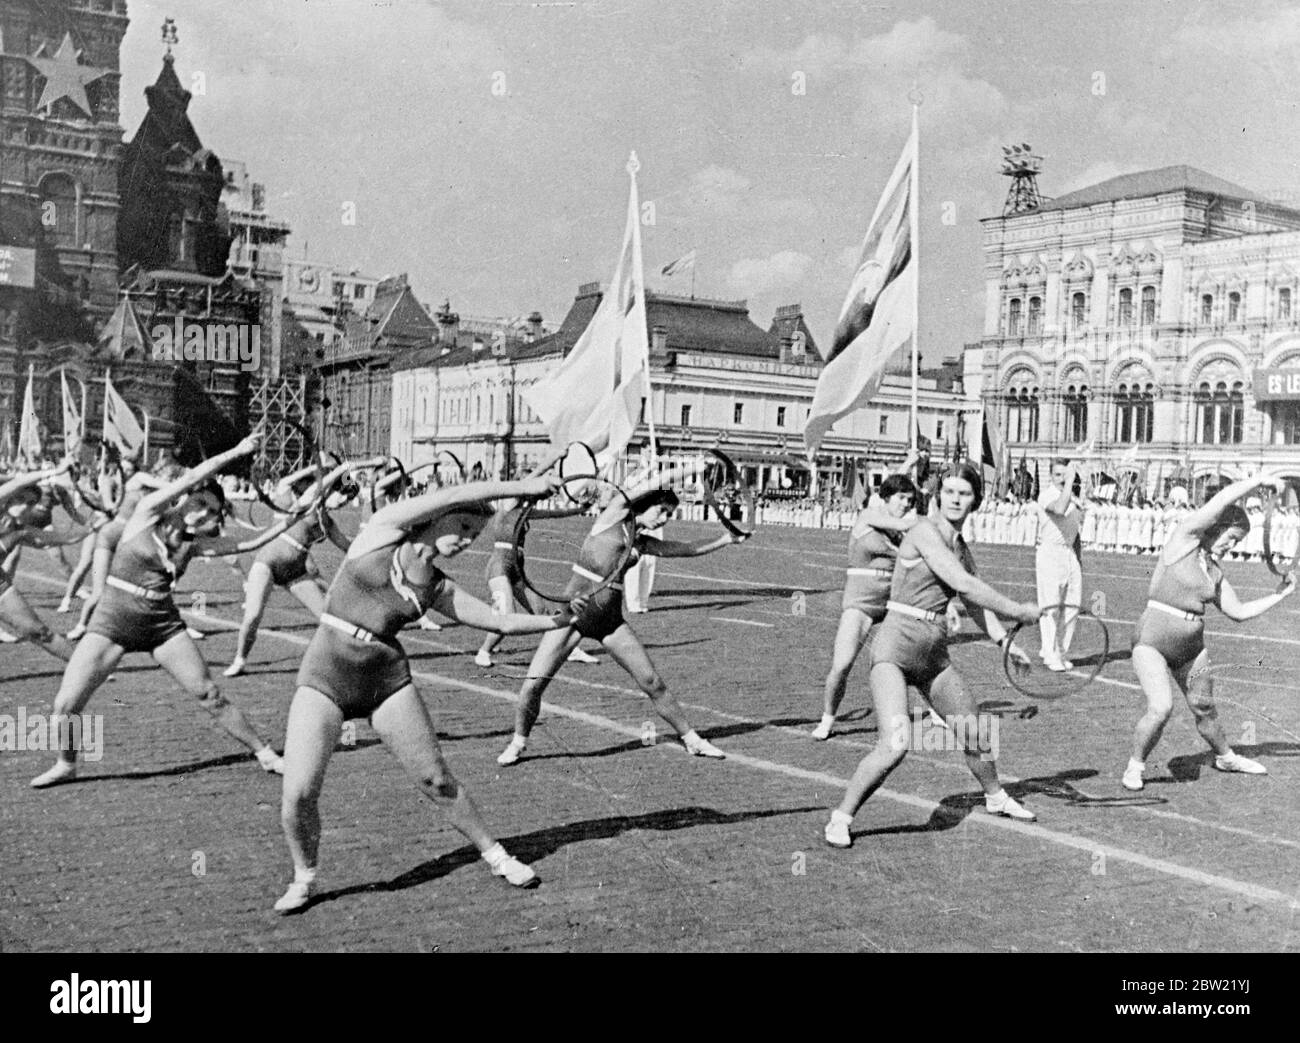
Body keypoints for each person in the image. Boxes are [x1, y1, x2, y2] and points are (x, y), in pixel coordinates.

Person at [274, 473, 575, 913]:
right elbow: (455, 492)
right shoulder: (382, 530)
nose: (467, 540)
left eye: (475, 535)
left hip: (384, 680)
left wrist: (559, 621)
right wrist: (522, 486)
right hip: (326, 675)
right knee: (298, 792)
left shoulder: (435, 584)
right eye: (464, 528)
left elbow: (500, 622)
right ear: (436, 517)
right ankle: (305, 876)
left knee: (437, 779)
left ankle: (497, 856)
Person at [30, 434, 296, 789]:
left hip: (162, 624)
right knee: (66, 704)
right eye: (201, 503)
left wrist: (296, 516)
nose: (204, 513)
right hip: (112, 620)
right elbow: (189, 478)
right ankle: (66, 764)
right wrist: (236, 451)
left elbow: (252, 541)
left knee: (209, 695)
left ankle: (265, 754)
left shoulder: (194, 543)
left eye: (213, 512)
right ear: (187, 499)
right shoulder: (147, 513)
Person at [824, 462, 1041, 848]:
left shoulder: (960, 546)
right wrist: (1018, 610)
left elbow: (973, 603)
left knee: (975, 731)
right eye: (951, 492)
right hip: (894, 650)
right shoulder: (924, 531)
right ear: (939, 494)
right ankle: (841, 817)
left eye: (966, 493)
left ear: (976, 500)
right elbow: (962, 584)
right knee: (895, 745)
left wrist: (1005, 642)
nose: (957, 499)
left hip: (934, 655)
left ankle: (995, 796)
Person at [496, 464, 746, 767]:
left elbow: (685, 549)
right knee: (534, 683)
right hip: (572, 616)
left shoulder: (639, 541)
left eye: (669, 514)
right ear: (645, 503)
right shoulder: (614, 514)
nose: (664, 519)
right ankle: (518, 742)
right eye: (663, 511)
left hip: (610, 621)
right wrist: (692, 467)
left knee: (652, 681)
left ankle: (692, 739)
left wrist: (725, 540)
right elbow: (658, 480)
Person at [1122, 470, 1295, 791]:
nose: (1231, 546)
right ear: (1214, 528)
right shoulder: (1183, 541)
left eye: (1237, 542)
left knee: (1205, 709)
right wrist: (1260, 480)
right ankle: (1135, 765)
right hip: (1152, 641)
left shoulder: (1214, 571)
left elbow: (1238, 612)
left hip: (1191, 647)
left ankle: (1225, 756)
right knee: (1161, 708)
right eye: (1231, 538)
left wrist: (1278, 595)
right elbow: (1221, 501)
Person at [223, 455, 381, 678]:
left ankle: (341, 661)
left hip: (295, 572)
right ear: (329, 490)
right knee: (253, 615)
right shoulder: (300, 501)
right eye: (341, 496)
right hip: (267, 563)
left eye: (346, 500)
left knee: (327, 618)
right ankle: (240, 659)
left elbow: (348, 547)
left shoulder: (326, 521)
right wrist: (350, 466)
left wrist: (377, 546)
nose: (342, 502)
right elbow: (305, 483)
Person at [812, 470, 919, 741]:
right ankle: (827, 718)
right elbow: (908, 524)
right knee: (842, 664)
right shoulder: (868, 517)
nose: (906, 504)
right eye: (901, 498)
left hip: (892, 604)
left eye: (910, 500)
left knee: (917, 659)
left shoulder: (899, 534)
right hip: (860, 603)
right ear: (885, 498)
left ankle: (939, 711)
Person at [0, 461, 84, 662]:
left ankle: (84, 668)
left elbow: (60, 538)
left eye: (30, 503)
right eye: (20, 499)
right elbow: (18, 481)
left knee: (40, 632)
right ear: (11, 498)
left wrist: (92, 528)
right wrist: (55, 471)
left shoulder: (22, 531)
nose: (23, 506)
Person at [1034, 458, 1084, 671]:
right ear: (1051, 477)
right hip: (1050, 552)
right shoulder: (1047, 495)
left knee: (1073, 605)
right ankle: (1050, 653)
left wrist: (1078, 560)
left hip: (1069, 552)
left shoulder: (1074, 499)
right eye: (1058, 475)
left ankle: (1060, 651)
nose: (1063, 479)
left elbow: (1076, 531)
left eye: (1066, 474)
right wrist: (1071, 481)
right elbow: (1060, 509)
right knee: (1051, 605)